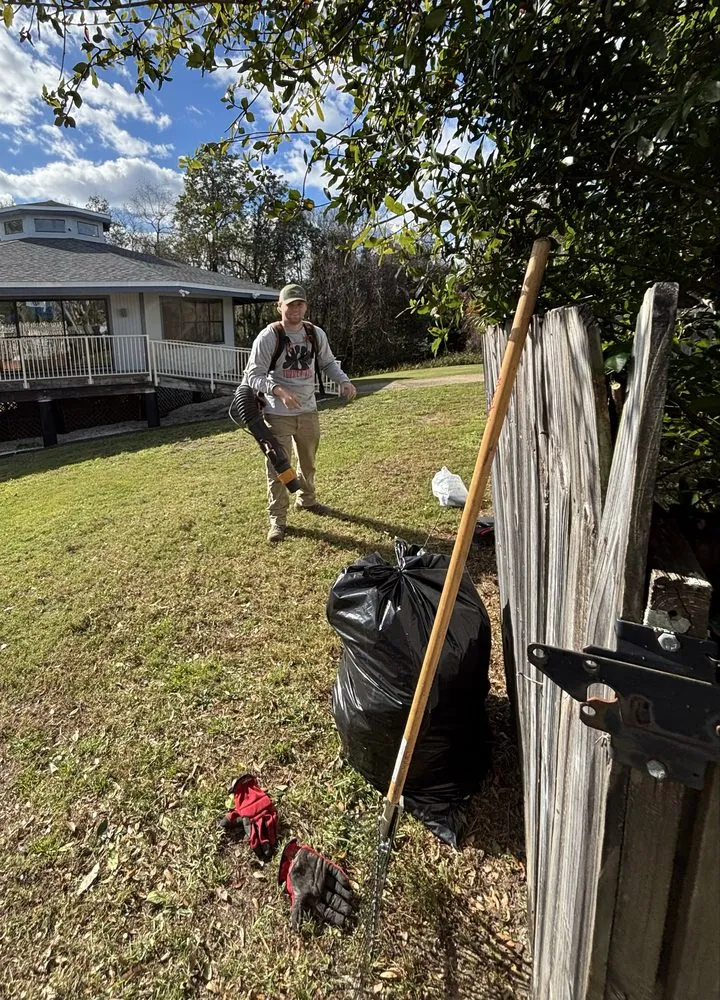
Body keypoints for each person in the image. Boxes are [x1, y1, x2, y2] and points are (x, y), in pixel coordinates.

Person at [243, 284, 357, 543]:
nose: (295, 308)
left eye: (300, 304)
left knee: (308, 462)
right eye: (290, 304)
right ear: (280, 307)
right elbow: (253, 376)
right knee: (278, 467)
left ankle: (307, 500)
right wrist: (279, 391)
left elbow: (327, 362)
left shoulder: (315, 334)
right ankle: (278, 520)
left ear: (305, 306)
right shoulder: (268, 336)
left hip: (308, 410)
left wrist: (344, 381)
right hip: (277, 414)